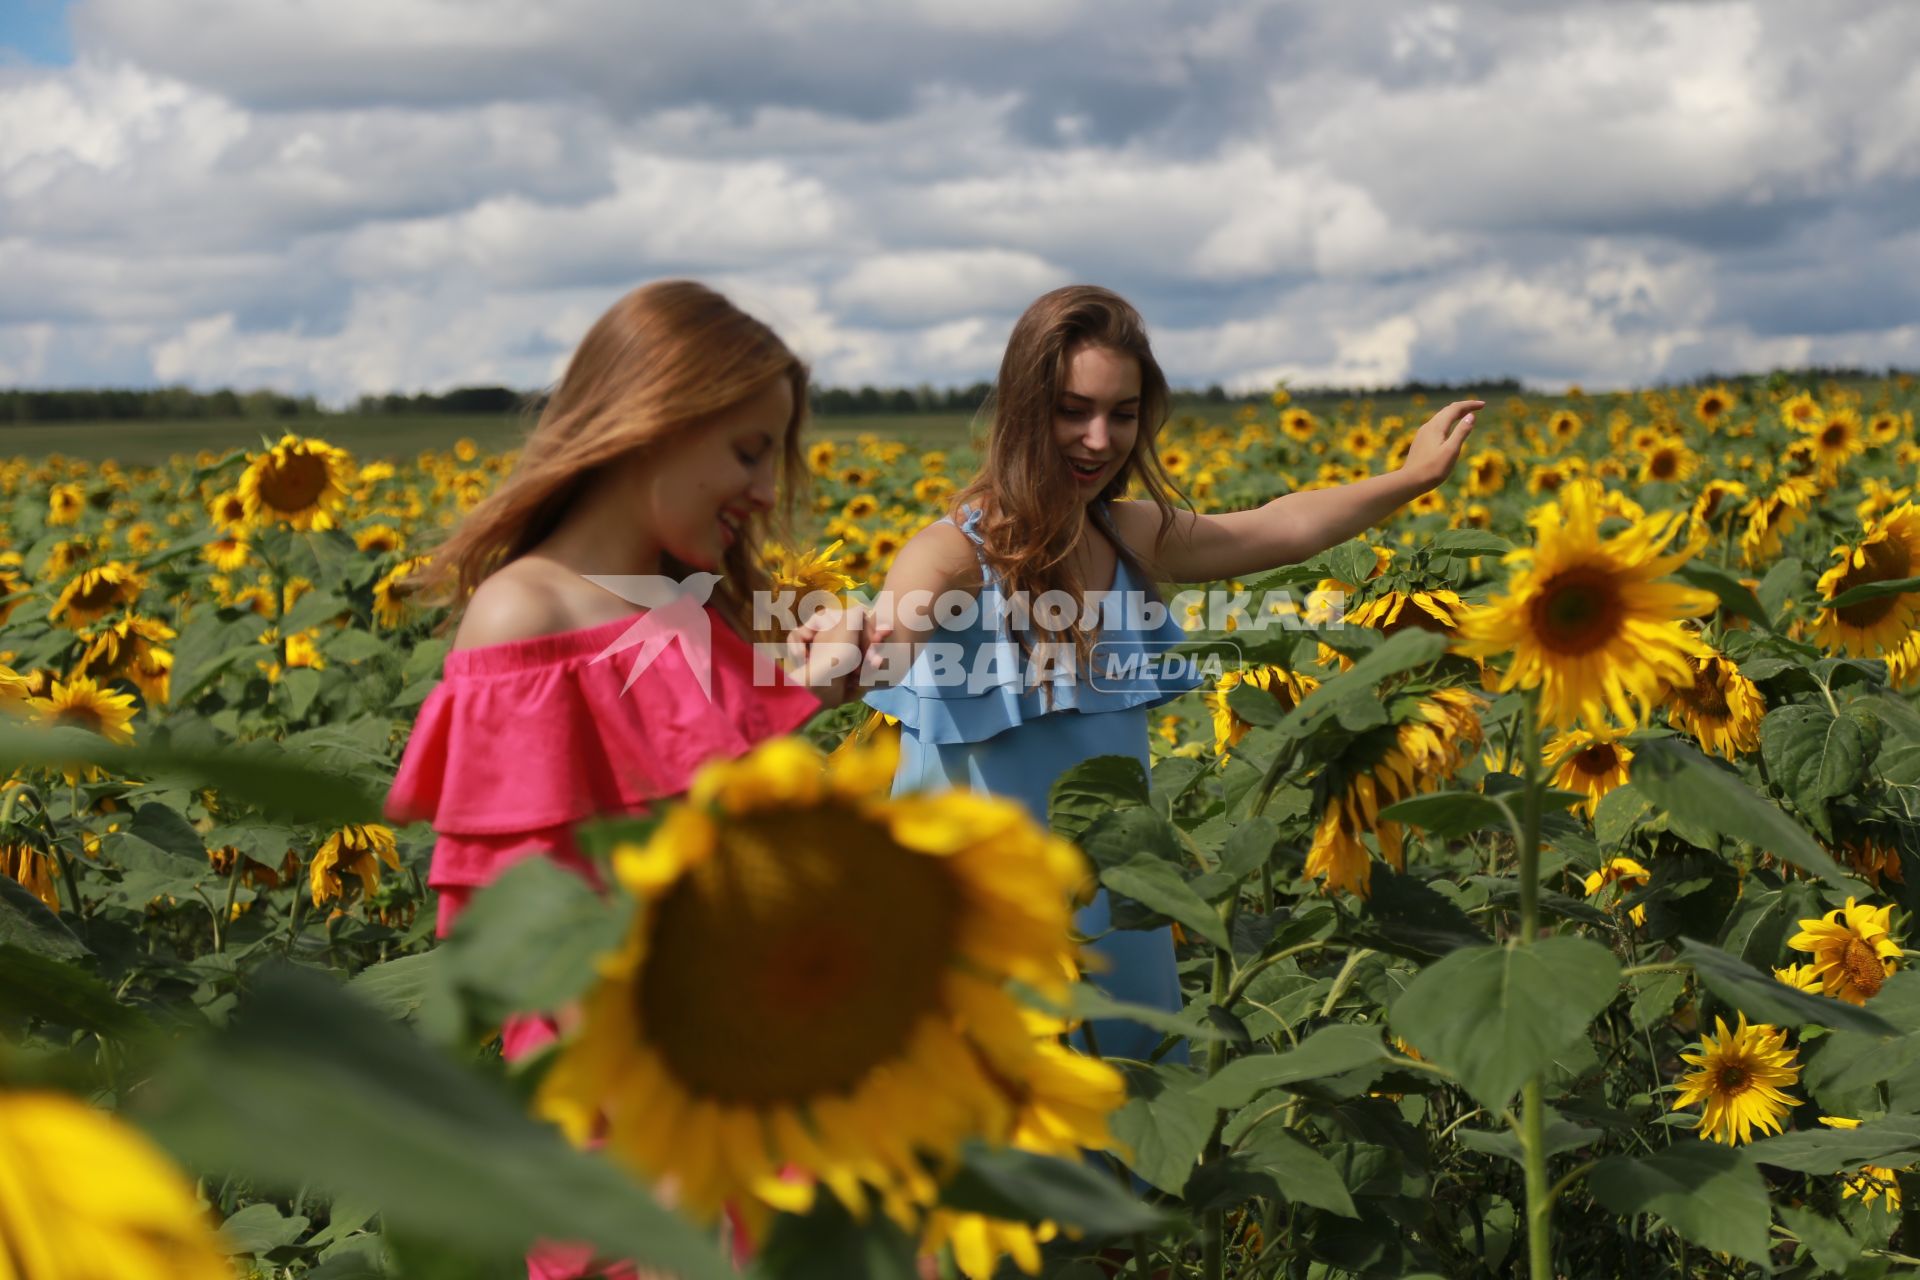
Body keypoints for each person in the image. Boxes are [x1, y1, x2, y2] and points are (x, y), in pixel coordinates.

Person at [846, 285, 1480, 1064]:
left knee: (1135, 1126)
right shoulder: (952, 554)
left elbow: (1277, 527)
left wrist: (1411, 479)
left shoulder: (1127, 534)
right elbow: (887, 631)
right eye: (1072, 409)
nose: (1098, 438)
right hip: (975, 917)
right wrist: (845, 644)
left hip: (1119, 914)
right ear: (1020, 410)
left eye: (1123, 412)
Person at [385, 279, 864, 1278]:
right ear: (656, 420)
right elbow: (530, 940)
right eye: (747, 449)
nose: (768, 490)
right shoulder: (526, 615)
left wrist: (818, 679)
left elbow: (702, 792)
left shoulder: (677, 605)